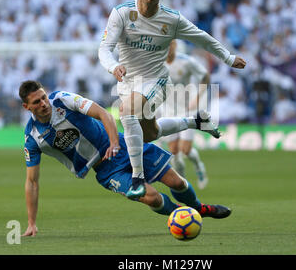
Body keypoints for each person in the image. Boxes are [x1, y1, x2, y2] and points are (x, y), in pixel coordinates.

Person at [99, 0, 247, 199]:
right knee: (150, 133)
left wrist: (228, 58)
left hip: (155, 80)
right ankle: (194, 121)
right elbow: (104, 49)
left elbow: (202, 38)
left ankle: (138, 178)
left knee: (126, 112)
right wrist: (113, 66)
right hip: (127, 82)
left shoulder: (172, 19)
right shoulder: (121, 14)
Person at [18, 80, 231, 237]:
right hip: (106, 171)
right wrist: (31, 222)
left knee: (177, 182)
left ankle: (200, 209)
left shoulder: (62, 99)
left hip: (125, 146)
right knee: (152, 197)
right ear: (27, 107)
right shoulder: (33, 138)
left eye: (44, 97)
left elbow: (105, 115)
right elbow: (32, 182)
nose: (44, 103)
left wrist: (113, 143)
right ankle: (182, 216)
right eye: (37, 102)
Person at [159, 40, 209, 189]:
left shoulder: (187, 62)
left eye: (171, 44)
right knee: (174, 151)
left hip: (187, 109)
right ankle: (183, 185)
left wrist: (197, 98)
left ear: (175, 46)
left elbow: (205, 77)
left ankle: (199, 166)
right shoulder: (157, 62)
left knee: (185, 150)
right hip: (168, 110)